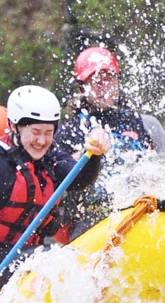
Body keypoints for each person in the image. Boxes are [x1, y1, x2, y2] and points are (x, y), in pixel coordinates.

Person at [54, 46, 165, 240]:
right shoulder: (66, 133)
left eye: (108, 78)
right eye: (94, 80)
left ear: (118, 80)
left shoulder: (148, 125)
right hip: (92, 219)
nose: (102, 85)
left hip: (143, 210)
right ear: (81, 87)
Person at [0, 85, 110, 288]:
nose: (41, 141)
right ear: (14, 126)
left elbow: (80, 179)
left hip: (33, 257)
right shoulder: (3, 166)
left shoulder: (51, 158)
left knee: (63, 258)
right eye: (35, 132)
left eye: (48, 132)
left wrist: (93, 154)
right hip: (6, 259)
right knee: (54, 259)